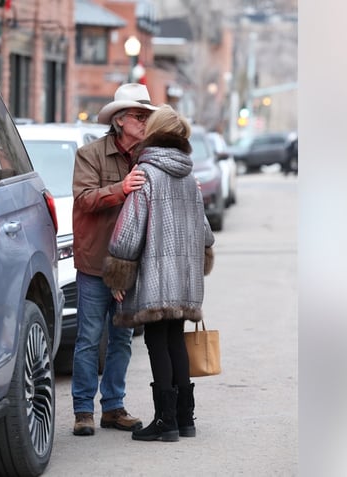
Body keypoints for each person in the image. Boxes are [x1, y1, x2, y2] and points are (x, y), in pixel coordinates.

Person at [102, 105, 215, 442]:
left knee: (156, 341)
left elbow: (128, 231)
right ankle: (184, 419)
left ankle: (165, 422)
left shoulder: (147, 173)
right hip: (184, 275)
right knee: (175, 339)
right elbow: (206, 235)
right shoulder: (188, 178)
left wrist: (118, 274)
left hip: (154, 276)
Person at [70, 83, 159, 436]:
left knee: (121, 339)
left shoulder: (149, 156)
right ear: (120, 120)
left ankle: (113, 407)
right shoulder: (90, 154)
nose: (145, 122)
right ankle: (82, 411)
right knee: (90, 338)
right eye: (140, 116)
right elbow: (84, 199)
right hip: (94, 263)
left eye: (148, 116)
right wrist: (120, 189)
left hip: (130, 266)